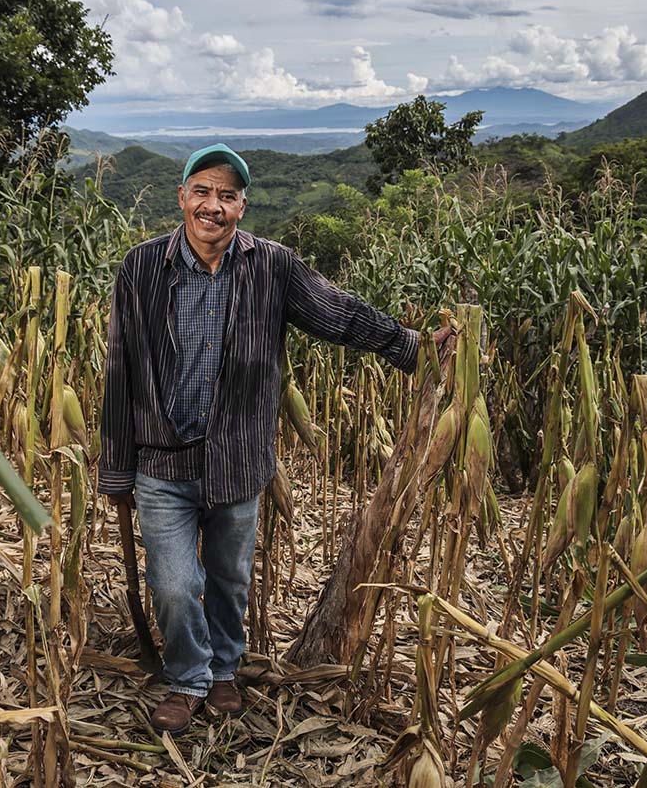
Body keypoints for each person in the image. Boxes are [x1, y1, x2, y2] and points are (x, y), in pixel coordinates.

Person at [97, 143, 430, 733]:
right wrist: (117, 469)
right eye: (202, 191)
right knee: (174, 585)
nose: (212, 206)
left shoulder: (272, 266)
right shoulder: (141, 267)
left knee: (229, 579)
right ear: (182, 198)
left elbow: (338, 314)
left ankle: (223, 670)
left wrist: (407, 345)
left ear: (242, 208)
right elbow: (120, 367)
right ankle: (186, 677)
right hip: (161, 461)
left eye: (226, 196)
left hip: (237, 458)